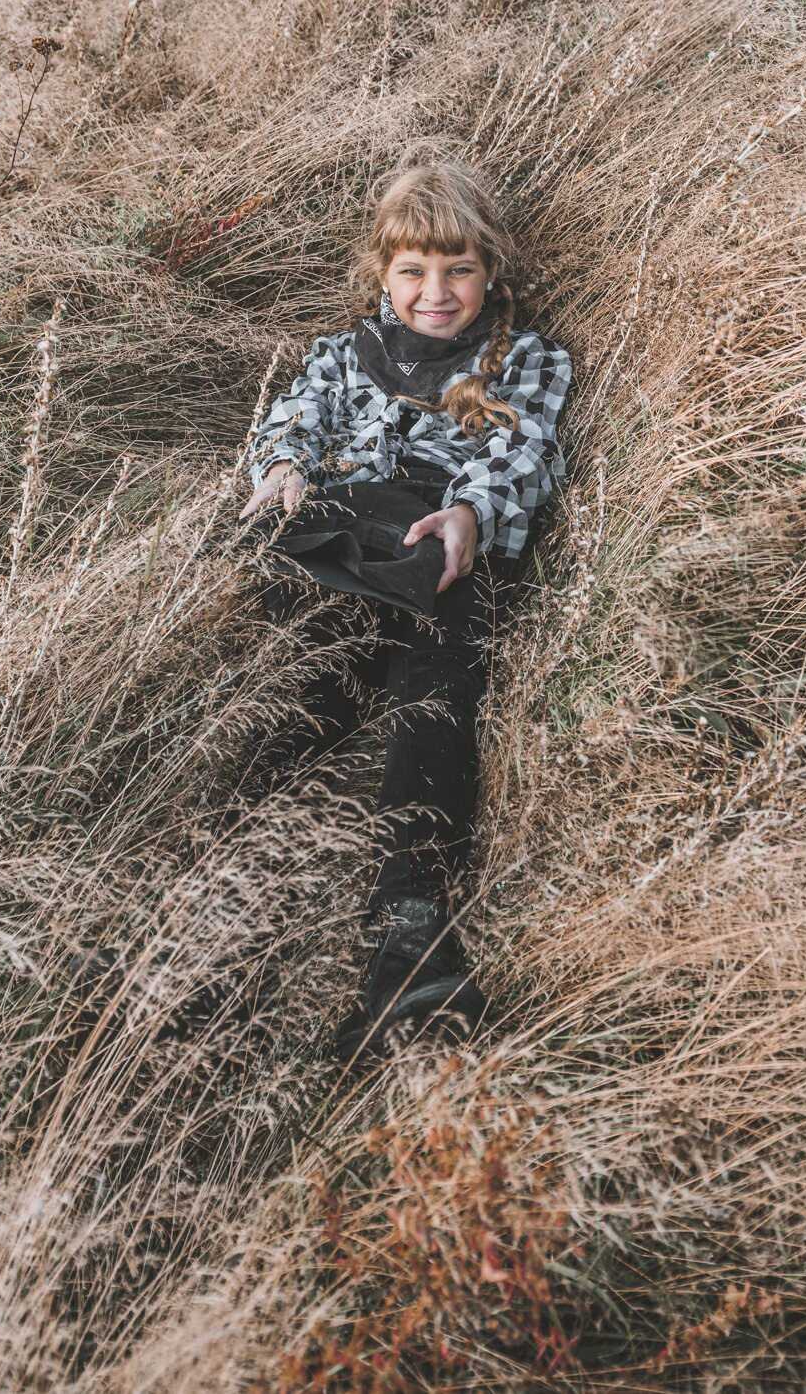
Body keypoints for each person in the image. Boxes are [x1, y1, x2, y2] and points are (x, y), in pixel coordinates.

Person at [237, 155, 572, 1062]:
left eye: (459, 269)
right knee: (296, 693)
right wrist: (284, 465)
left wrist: (469, 515)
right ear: (382, 273)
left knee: (435, 694)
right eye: (414, 270)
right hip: (348, 541)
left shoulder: (528, 358)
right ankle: (229, 911)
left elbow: (523, 452)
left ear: (490, 272)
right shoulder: (346, 353)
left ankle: (411, 930)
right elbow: (294, 417)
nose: (436, 292)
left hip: (442, 548)